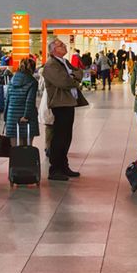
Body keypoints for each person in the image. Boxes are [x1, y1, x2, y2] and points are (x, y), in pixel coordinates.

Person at [42, 38, 87, 181]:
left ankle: (63, 165)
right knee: (59, 137)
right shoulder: (51, 65)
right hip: (60, 103)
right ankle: (54, 169)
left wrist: (73, 76)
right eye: (61, 45)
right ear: (54, 49)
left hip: (69, 103)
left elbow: (80, 72)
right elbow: (65, 82)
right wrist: (73, 78)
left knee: (67, 136)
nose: (65, 46)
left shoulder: (64, 62)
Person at [4, 58, 39, 145]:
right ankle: (26, 159)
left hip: (11, 115)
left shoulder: (12, 80)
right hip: (26, 117)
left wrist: (6, 117)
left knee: (14, 147)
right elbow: (30, 101)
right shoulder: (32, 81)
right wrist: (26, 116)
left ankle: (15, 159)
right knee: (27, 147)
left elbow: (7, 99)